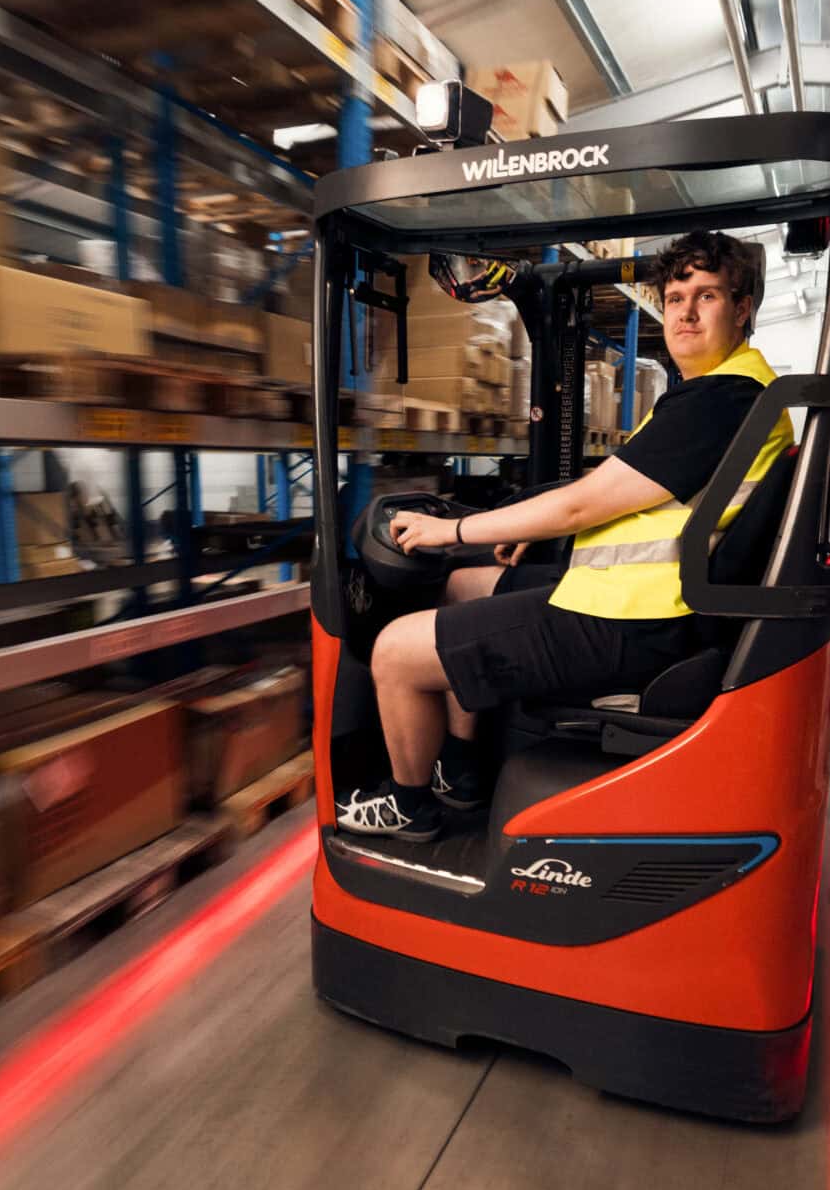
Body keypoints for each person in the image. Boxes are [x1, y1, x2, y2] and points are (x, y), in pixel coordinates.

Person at [336, 229, 795, 841]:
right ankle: (463, 769)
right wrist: (527, 514)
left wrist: (452, 528)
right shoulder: (730, 390)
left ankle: (408, 805)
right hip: (645, 601)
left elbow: (584, 504)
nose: (684, 311)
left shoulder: (722, 399)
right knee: (465, 585)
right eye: (676, 295)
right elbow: (625, 488)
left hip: (640, 623)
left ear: (741, 310)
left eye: (706, 296)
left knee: (394, 649)